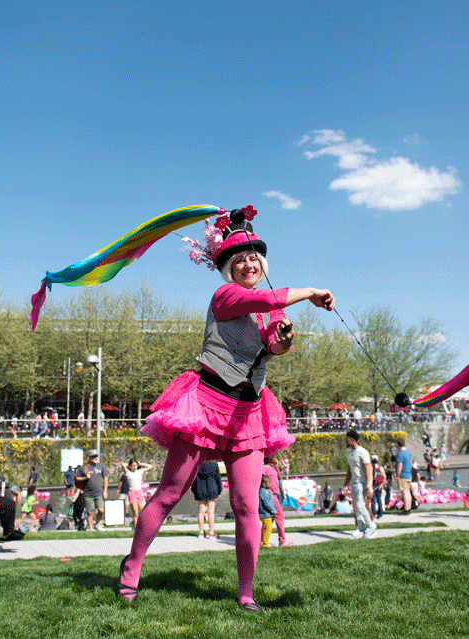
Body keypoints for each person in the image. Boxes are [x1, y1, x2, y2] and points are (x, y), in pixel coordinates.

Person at [117, 206, 335, 611]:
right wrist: (311, 291)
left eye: (254, 258)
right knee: (168, 495)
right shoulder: (226, 295)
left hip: (250, 413)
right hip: (204, 405)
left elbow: (274, 345)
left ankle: (246, 592)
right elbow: (268, 297)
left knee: (246, 505)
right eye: (240, 259)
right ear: (229, 268)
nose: (249, 263)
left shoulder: (271, 308)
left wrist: (284, 339)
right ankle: (130, 570)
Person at [343, 430, 375, 538]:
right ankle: (361, 529)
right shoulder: (349, 453)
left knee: (361, 506)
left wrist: (369, 486)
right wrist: (346, 484)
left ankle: (371, 527)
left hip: (362, 483)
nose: (345, 442)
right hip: (354, 483)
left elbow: (368, 469)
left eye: (347, 440)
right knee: (356, 508)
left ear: (352, 440)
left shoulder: (362, 452)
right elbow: (349, 470)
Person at [261, 456, 291, 546]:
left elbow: (279, 477)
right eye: (274, 457)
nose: (276, 458)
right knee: (280, 516)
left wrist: (277, 466)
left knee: (270, 518)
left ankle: (262, 539)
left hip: (275, 494)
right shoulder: (263, 469)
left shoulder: (273, 468)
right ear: (269, 458)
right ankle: (282, 540)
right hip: (269, 495)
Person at [76, 450, 108, 531]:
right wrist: (85, 478)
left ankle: (97, 524)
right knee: (90, 512)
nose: (95, 458)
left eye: (96, 456)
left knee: (101, 510)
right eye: (93, 456)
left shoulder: (101, 466)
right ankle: (91, 529)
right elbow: (77, 478)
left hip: (99, 492)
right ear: (88, 457)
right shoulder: (83, 468)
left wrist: (105, 491)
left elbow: (105, 478)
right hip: (88, 493)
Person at [191, 461, 223, 539]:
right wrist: (219, 490)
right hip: (212, 489)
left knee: (201, 512)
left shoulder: (197, 464)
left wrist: (194, 491)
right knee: (210, 512)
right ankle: (211, 532)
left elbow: (193, 479)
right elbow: (218, 478)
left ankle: (201, 532)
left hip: (200, 490)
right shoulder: (214, 464)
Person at [121, 459, 153, 527]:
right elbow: (123, 465)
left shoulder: (140, 471)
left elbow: (150, 466)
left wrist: (140, 464)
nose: (134, 467)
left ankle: (144, 526)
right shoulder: (128, 473)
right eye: (132, 466)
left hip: (139, 492)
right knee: (135, 512)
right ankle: (135, 527)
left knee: (143, 510)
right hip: (132, 492)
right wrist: (129, 465)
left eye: (135, 465)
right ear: (130, 466)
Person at [395, 439, 413, 514]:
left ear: (398, 445)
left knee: (404, 492)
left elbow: (400, 465)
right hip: (409, 474)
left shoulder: (401, 454)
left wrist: (398, 475)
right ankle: (408, 507)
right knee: (408, 492)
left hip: (403, 475)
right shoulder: (408, 453)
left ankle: (406, 509)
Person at [258, 475, 276, 547]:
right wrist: (273, 510)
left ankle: (261, 541)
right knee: (268, 528)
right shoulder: (265, 493)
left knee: (264, 528)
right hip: (266, 513)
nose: (270, 484)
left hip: (261, 513)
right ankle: (265, 543)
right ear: (264, 484)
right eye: (269, 483)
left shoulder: (259, 491)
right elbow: (267, 503)